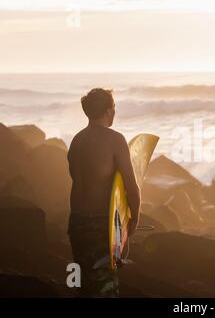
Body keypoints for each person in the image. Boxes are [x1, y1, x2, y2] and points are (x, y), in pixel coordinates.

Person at [67, 88, 141, 297]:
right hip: (101, 226)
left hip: (76, 223)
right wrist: (134, 218)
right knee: (106, 286)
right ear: (109, 111)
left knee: (83, 284)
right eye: (114, 107)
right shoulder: (115, 140)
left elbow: (78, 180)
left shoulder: (76, 141)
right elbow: (131, 188)